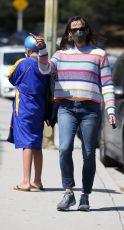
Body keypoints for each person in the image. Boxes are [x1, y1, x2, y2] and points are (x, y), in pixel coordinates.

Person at [35, 15, 116, 210]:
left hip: (90, 109)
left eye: (81, 28)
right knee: (64, 148)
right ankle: (68, 192)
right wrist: (42, 49)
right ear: (69, 33)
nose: (78, 32)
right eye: (74, 29)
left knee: (89, 153)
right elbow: (45, 69)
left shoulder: (99, 54)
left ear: (87, 30)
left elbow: (106, 84)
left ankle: (85, 196)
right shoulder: (61, 55)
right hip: (66, 108)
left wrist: (111, 109)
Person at [7, 35, 49, 192]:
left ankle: (26, 182)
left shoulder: (22, 63)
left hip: (24, 108)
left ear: (27, 49)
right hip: (40, 108)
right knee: (37, 144)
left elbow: (11, 77)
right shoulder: (45, 65)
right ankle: (37, 181)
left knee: (27, 144)